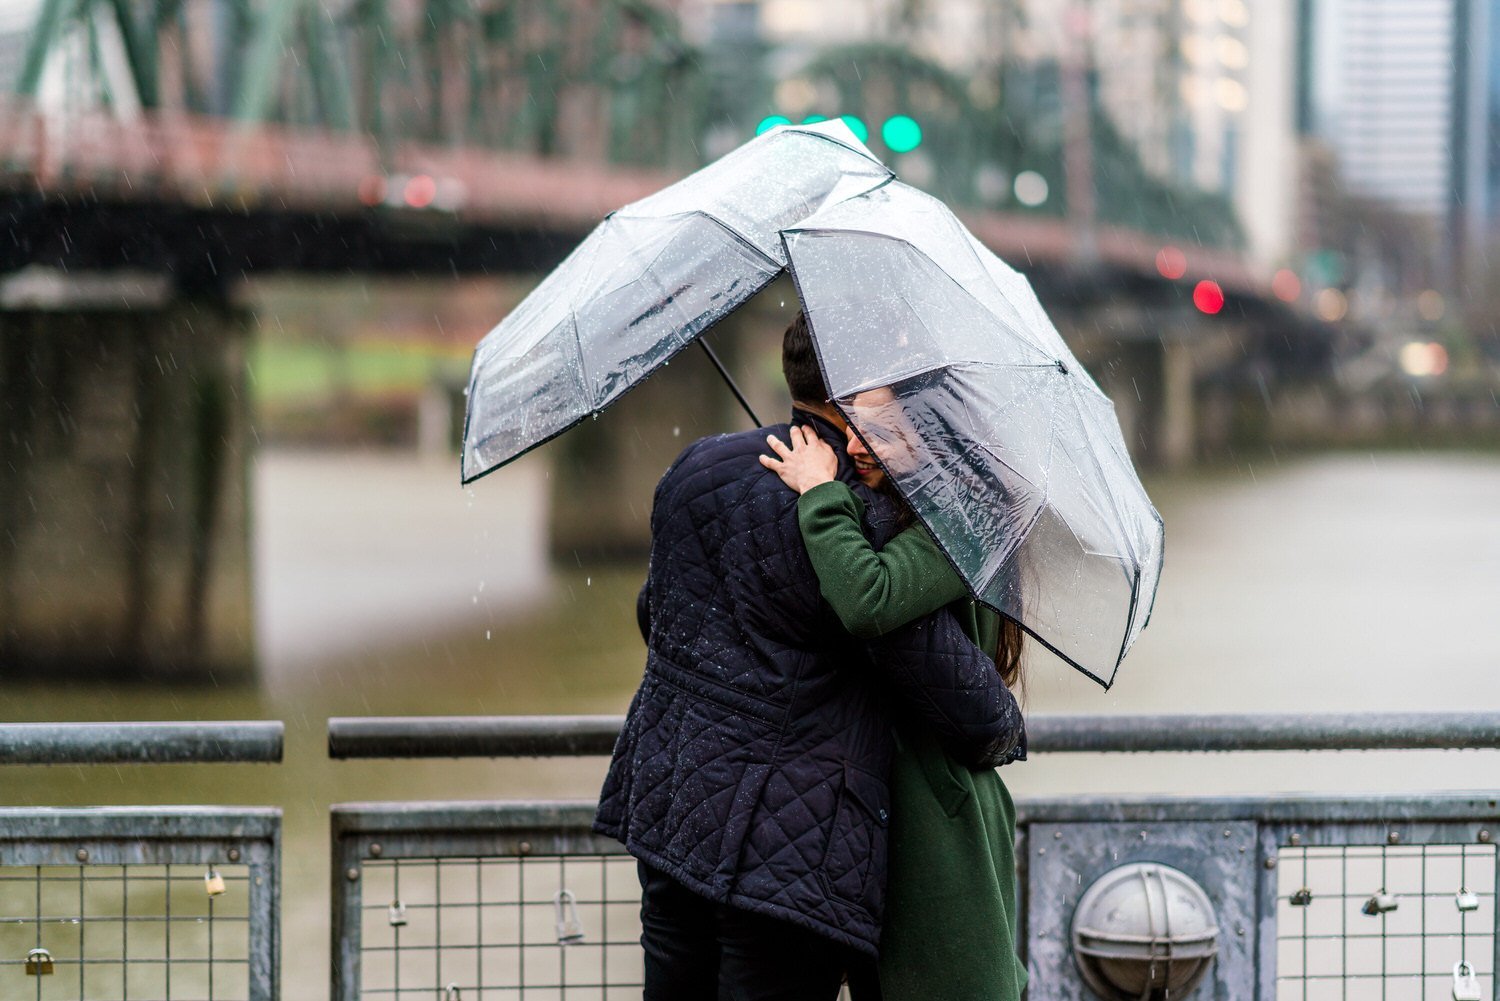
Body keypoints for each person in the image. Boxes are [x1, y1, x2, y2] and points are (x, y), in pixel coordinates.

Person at [594, 313, 1024, 1000]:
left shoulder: (696, 466)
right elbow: (966, 704)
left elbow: (657, 616)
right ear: (858, 385)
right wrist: (1004, 724)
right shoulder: (865, 516)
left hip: (672, 800)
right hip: (791, 844)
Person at [760, 386, 1029, 1000]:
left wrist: (819, 493)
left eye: (879, 433)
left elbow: (868, 600)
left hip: (941, 813)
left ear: (935, 437)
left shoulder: (966, 512)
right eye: (852, 425)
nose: (853, 444)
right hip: (899, 794)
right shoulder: (918, 507)